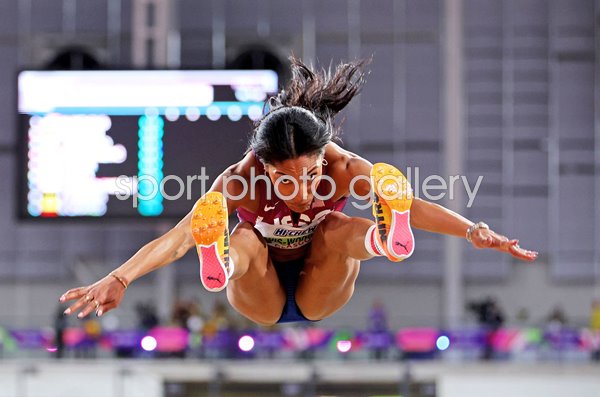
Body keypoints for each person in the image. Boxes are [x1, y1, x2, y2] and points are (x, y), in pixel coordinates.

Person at [60, 56, 538, 326]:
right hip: (260, 292)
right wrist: (120, 278)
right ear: (265, 169)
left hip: (320, 285)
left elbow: (414, 202)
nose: (303, 190)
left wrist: (474, 231)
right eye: (286, 180)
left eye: (310, 176)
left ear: (321, 159)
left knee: (337, 226)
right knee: (245, 240)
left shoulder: (343, 168)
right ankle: (220, 262)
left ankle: (386, 239)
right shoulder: (239, 181)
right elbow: (179, 238)